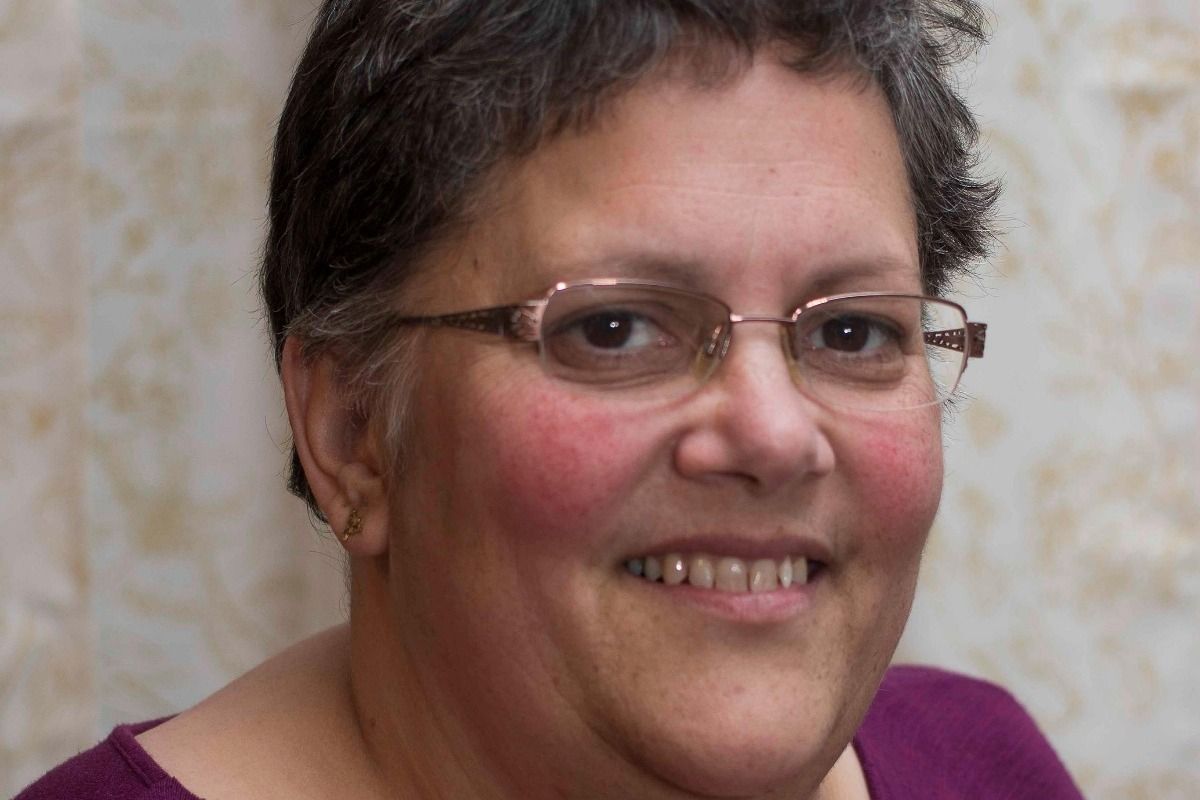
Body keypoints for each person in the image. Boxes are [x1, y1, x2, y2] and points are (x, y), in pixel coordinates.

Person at [15, 1, 1087, 798]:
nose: (773, 432)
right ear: (351, 433)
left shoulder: (980, 764)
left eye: (852, 332)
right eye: (612, 328)